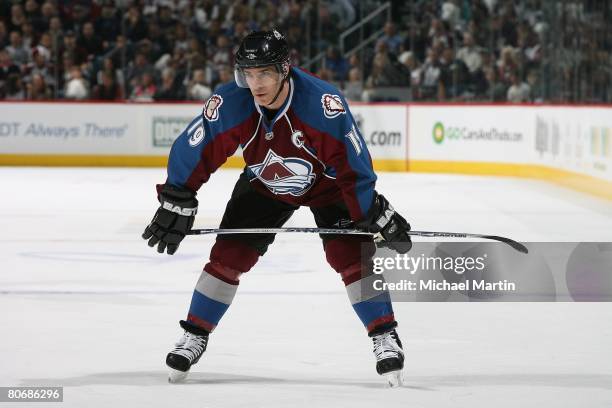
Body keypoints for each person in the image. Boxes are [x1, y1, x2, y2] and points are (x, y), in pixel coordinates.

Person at [142, 30, 412, 386]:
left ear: (285, 69)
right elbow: (198, 147)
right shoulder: (232, 102)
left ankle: (383, 334)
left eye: (264, 73)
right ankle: (195, 333)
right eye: (248, 74)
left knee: (352, 258)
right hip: (265, 183)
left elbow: (353, 164)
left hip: (329, 188)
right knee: (228, 257)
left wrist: (370, 208)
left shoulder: (322, 105)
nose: (255, 84)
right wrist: (178, 195)